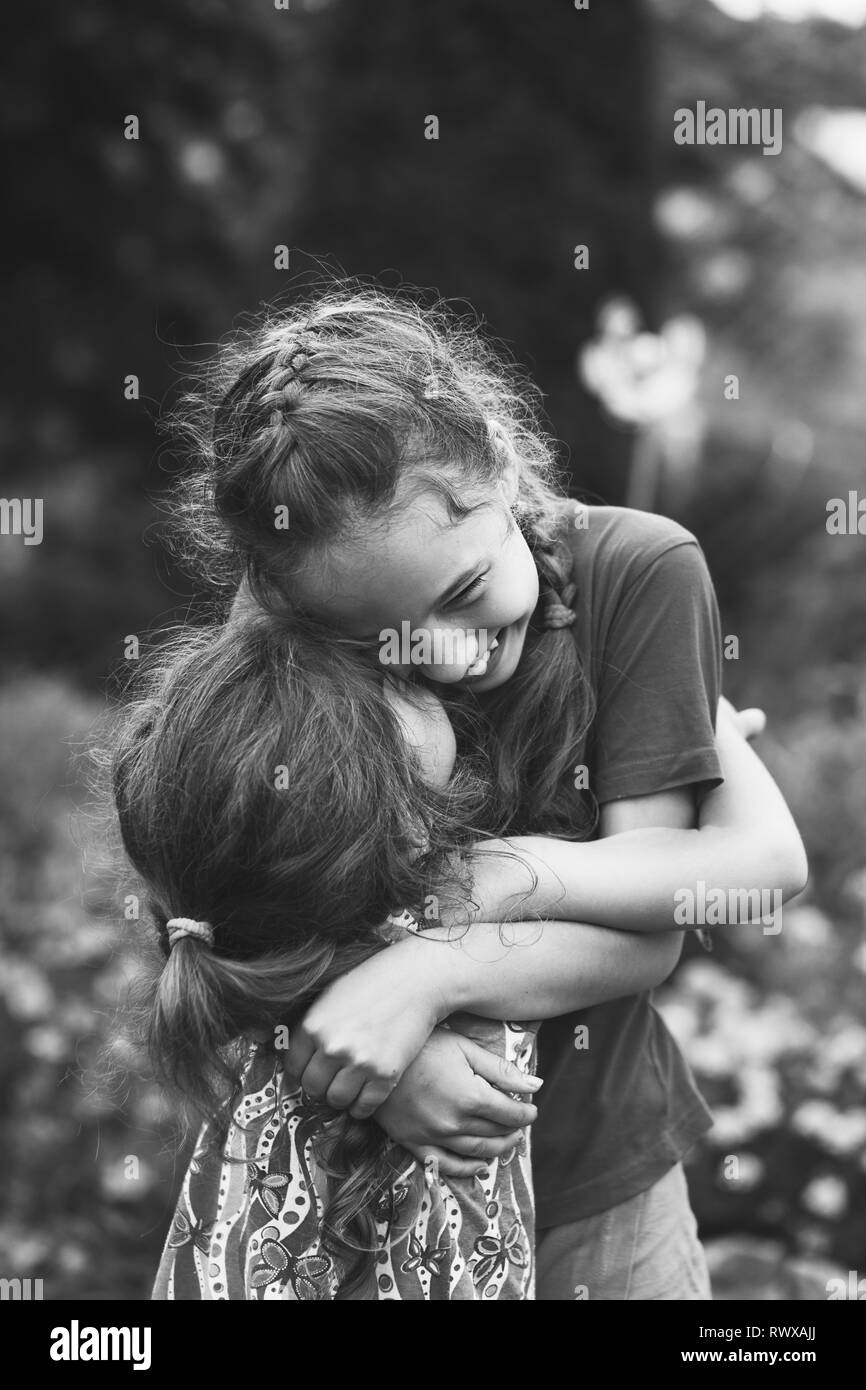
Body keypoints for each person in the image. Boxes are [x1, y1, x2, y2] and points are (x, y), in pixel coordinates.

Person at [171, 284, 808, 1298]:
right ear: (294, 604)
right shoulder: (286, 649)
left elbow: (654, 923)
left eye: (467, 592)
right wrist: (375, 1067)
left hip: (600, 1186)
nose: (458, 657)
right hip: (362, 1189)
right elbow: (210, 928)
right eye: (392, 642)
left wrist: (426, 969)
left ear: (500, 468)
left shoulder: (636, 575)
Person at [114, 617, 679, 1299]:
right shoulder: (466, 891)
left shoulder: (235, 946)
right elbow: (651, 943)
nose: (423, 663)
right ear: (398, 803)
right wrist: (723, 747)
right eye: (393, 678)